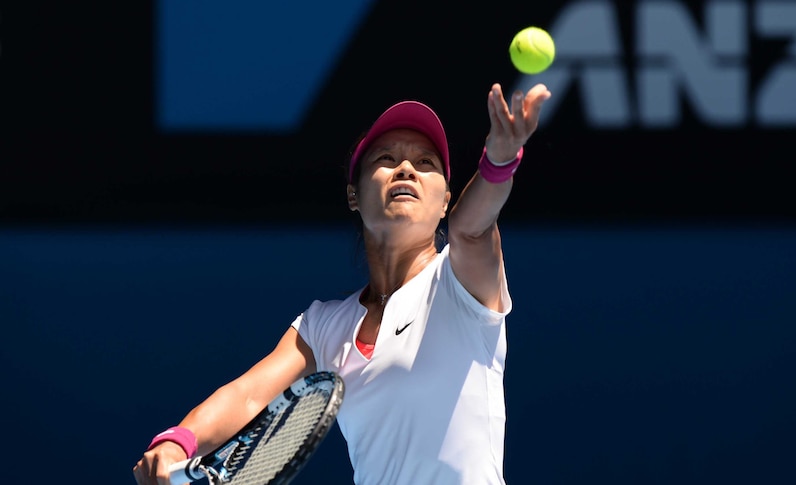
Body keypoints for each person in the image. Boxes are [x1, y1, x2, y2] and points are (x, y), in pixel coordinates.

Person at [132, 81, 551, 485]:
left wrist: (499, 159)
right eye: (386, 158)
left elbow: (472, 230)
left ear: (445, 201)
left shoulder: (461, 282)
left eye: (426, 163)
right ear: (353, 195)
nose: (406, 167)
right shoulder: (322, 326)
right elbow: (248, 396)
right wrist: (177, 442)